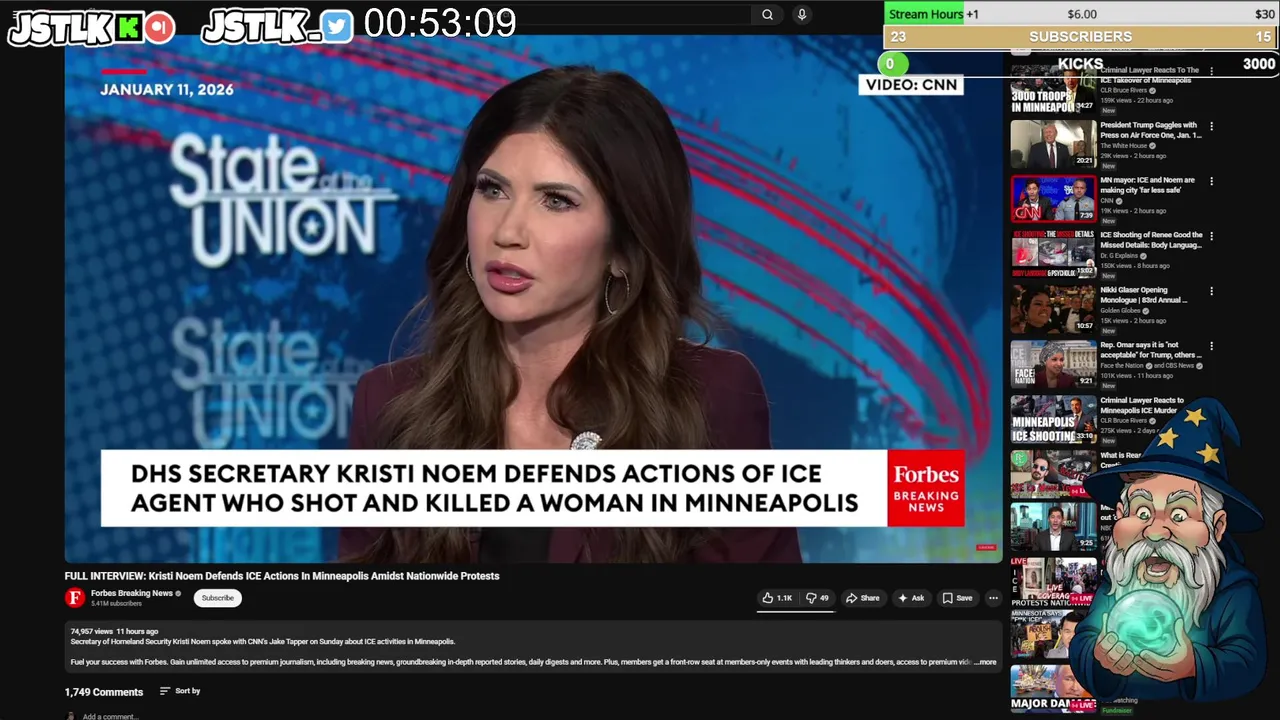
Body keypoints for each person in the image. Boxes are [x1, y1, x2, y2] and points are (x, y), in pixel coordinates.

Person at [338, 66, 801, 564]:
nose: (507, 231)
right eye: (492, 189)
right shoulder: (391, 407)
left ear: (623, 248)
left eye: (556, 201)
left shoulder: (707, 402)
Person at [1069, 399, 1266, 702]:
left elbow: (1248, 664)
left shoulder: (1234, 590)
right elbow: (1084, 640)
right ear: (1120, 515)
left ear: (1217, 527)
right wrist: (1098, 658)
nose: (1155, 532)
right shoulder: (1117, 580)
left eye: (1179, 515)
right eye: (1142, 512)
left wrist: (1194, 665)